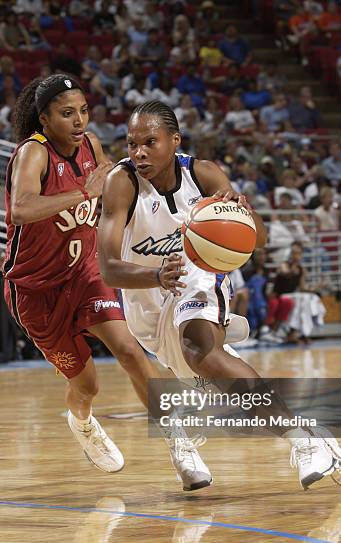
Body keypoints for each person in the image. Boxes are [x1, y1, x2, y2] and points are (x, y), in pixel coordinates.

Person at [98, 100, 341, 493]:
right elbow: (108, 268)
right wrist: (155, 275)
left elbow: (257, 238)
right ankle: (318, 440)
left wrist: (242, 211)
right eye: (131, 143)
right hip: (147, 300)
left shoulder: (203, 173)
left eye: (150, 142)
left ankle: (302, 440)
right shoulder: (121, 183)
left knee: (199, 350)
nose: (139, 152)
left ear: (175, 141)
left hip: (198, 277)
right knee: (213, 375)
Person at [1, 75, 202, 490]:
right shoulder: (32, 154)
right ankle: (83, 422)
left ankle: (179, 444)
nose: (78, 121)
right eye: (66, 113)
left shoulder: (91, 145)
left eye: (83, 111)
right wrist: (80, 192)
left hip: (86, 273)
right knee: (87, 384)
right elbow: (20, 209)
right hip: (37, 289)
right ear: (44, 118)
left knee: (129, 350)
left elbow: (114, 179)